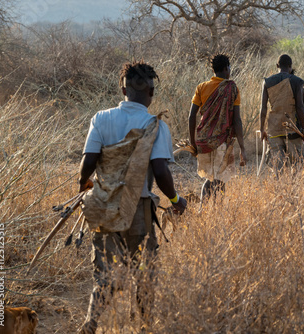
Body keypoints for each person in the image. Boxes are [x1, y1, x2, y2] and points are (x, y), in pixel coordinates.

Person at [78, 60, 187, 334]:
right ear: (151, 93)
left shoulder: (100, 119)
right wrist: (176, 201)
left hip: (104, 209)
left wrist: (85, 186)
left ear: (122, 90)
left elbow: (88, 162)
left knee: (104, 276)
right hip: (138, 211)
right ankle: (145, 327)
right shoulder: (154, 125)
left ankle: (90, 326)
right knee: (144, 273)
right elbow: (160, 172)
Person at [188, 54, 247, 203]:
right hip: (222, 141)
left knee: (210, 179)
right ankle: (217, 212)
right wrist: (242, 147)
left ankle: (204, 209)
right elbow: (237, 120)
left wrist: (192, 143)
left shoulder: (201, 87)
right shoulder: (232, 88)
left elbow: (191, 116)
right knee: (220, 180)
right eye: (230, 68)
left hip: (203, 141)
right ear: (226, 68)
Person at [259, 54, 304, 172]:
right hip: (292, 129)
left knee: (277, 166)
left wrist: (262, 129)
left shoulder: (267, 82)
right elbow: (300, 107)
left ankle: (279, 188)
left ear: (277, 66)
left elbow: (263, 108)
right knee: (296, 164)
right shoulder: (297, 81)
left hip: (274, 129)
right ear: (290, 66)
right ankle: (292, 188)